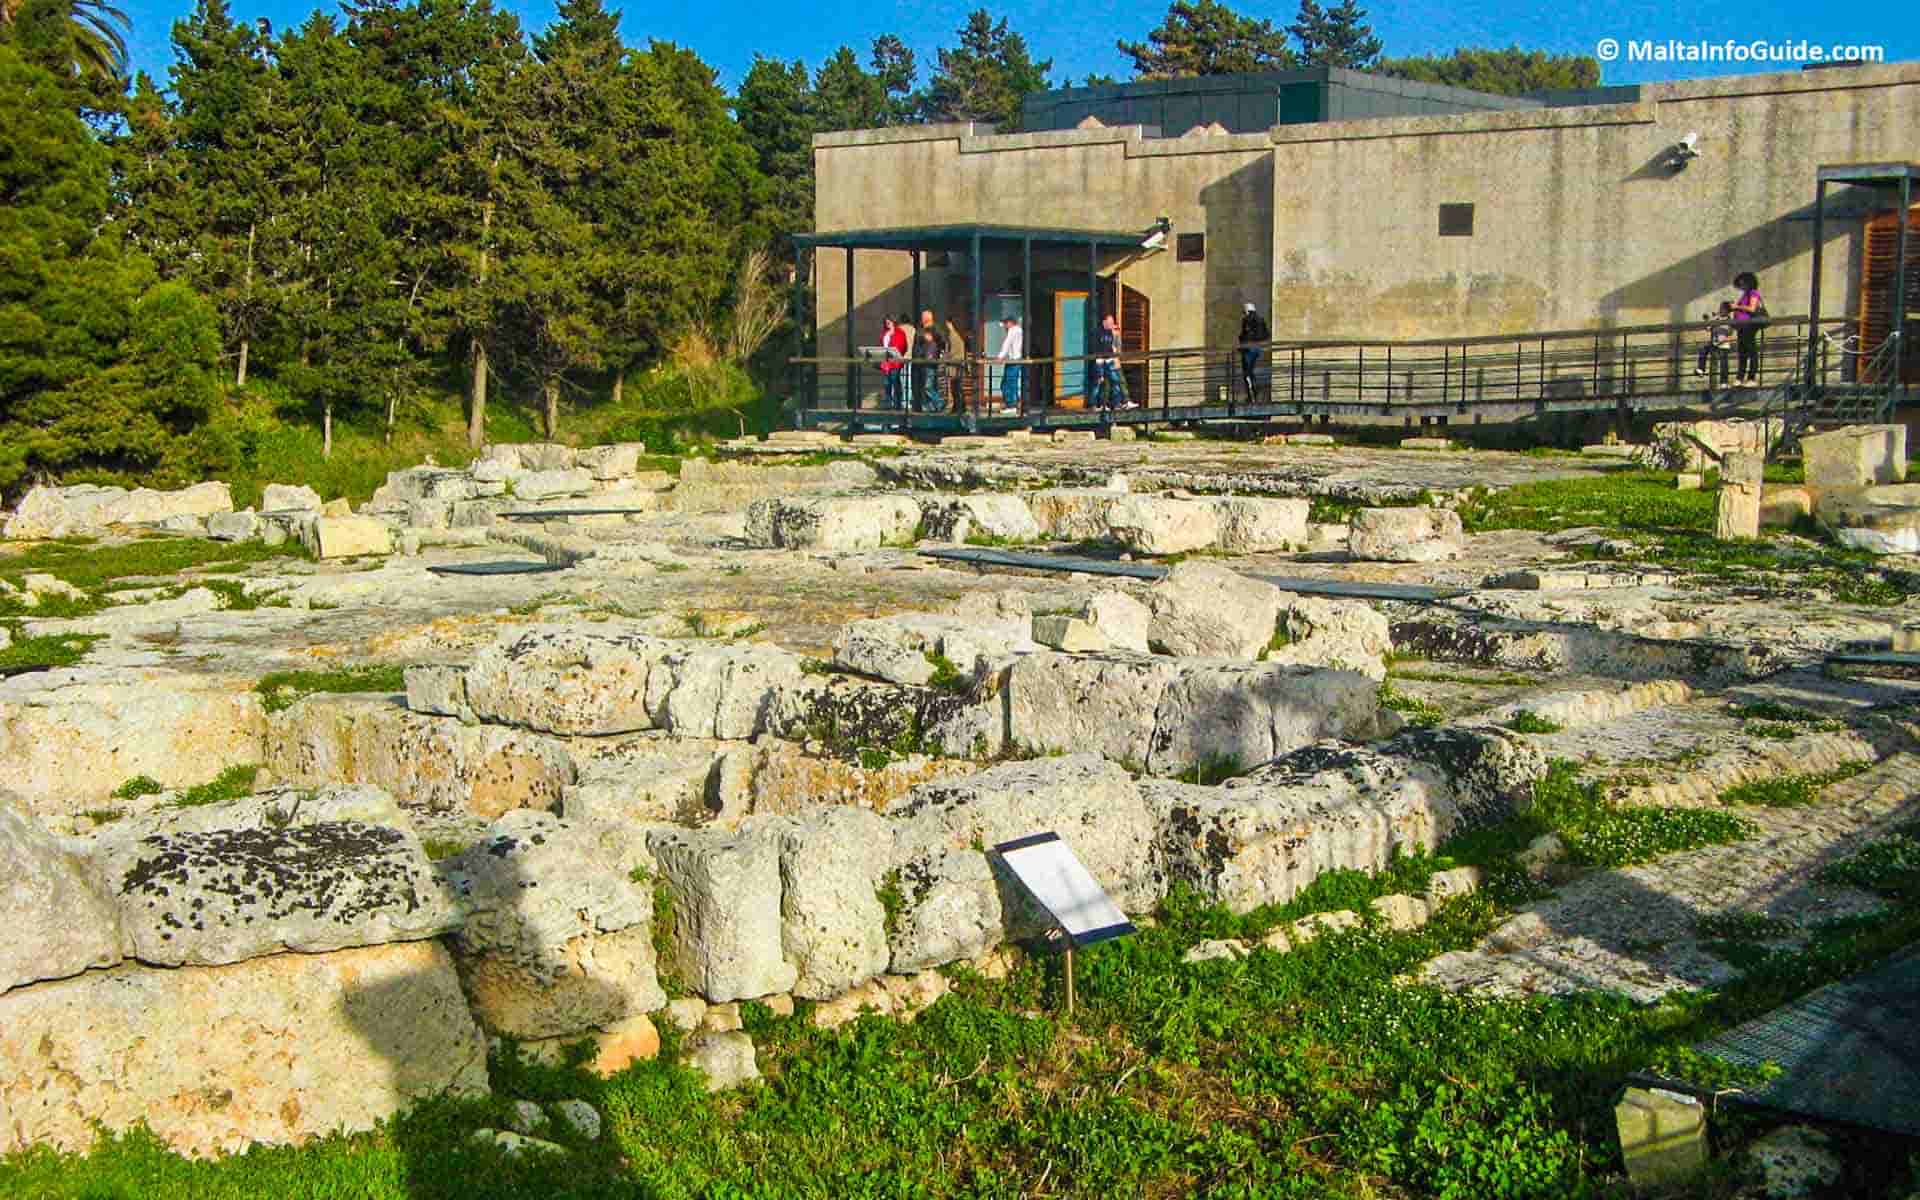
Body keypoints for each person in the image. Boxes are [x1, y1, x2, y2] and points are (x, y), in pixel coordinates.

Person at [1730, 272, 1765, 386]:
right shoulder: (1745, 294)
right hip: (1742, 326)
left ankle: (1751, 378)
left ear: (1749, 282)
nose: (1741, 286)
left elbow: (1752, 308)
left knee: (1751, 351)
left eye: (1743, 283)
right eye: (1740, 284)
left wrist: (1737, 306)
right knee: (1742, 352)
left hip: (1749, 325)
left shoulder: (1753, 293)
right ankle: (1740, 378)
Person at [1090, 312, 1131, 411]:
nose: (1111, 324)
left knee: (1116, 381)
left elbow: (1116, 347)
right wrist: (1099, 360)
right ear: (1104, 322)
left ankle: (1119, 403)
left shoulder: (1111, 332)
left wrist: (1116, 335)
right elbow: (1098, 347)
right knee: (1099, 383)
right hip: (1101, 361)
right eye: (1109, 322)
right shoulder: (1098, 332)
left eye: (1112, 322)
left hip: (1110, 361)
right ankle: (1096, 405)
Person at [1694, 301, 1734, 388]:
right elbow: (1708, 328)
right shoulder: (1716, 319)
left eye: (1722, 308)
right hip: (1714, 343)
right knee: (1703, 348)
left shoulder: (1730, 321)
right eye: (1720, 308)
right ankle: (1701, 369)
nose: (1720, 310)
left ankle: (1724, 382)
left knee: (1724, 363)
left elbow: (1732, 336)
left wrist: (1723, 340)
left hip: (1724, 345)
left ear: (1727, 311)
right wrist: (1706, 320)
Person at [913, 309, 946, 413]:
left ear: (928, 318)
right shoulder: (920, 329)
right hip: (918, 362)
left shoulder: (936, 329)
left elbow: (943, 342)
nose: (921, 319)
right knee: (922, 387)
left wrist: (932, 339)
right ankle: (931, 408)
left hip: (929, 362)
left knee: (928, 386)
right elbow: (916, 345)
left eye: (923, 317)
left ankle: (939, 402)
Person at [1238, 302, 1270, 401]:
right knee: (1252, 372)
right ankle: (1255, 393)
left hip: (1249, 349)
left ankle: (1252, 394)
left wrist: (1242, 343)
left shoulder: (1247, 320)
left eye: (1244, 312)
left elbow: (1245, 335)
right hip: (1258, 348)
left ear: (1247, 311)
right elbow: (1266, 334)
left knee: (1247, 372)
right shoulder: (1261, 319)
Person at [996, 315, 1024, 415]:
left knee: (1008, 383)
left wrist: (1000, 357)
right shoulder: (1019, 330)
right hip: (1015, 360)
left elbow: (1007, 343)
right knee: (1009, 383)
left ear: (1010, 322)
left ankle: (1011, 405)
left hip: (1014, 360)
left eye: (1005, 323)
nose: (1004, 326)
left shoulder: (1013, 330)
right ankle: (1012, 404)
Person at [878, 316, 908, 410]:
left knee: (895, 382)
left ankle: (897, 404)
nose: (887, 324)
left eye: (889, 322)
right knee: (887, 384)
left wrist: (897, 355)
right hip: (886, 363)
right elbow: (881, 345)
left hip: (895, 363)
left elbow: (903, 346)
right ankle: (888, 404)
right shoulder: (884, 333)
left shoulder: (900, 332)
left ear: (893, 322)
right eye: (886, 323)